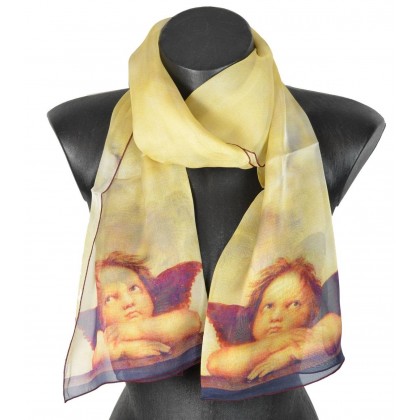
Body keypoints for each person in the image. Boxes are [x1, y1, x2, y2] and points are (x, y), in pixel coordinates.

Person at [206, 256, 342, 381]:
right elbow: (215, 364)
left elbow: (333, 325)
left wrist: (290, 353)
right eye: (268, 306)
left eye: (294, 305)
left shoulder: (309, 333)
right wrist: (274, 343)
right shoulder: (242, 333)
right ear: (253, 320)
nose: (276, 317)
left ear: (313, 312)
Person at [91, 251, 203, 369]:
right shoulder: (103, 338)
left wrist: (132, 330)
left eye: (134, 288)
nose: (128, 302)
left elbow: (192, 321)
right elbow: (96, 360)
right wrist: (122, 350)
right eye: (109, 299)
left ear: (150, 295)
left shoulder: (162, 316)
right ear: (99, 315)